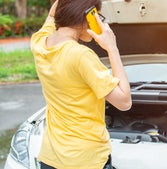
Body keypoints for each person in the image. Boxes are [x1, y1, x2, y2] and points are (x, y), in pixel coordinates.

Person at [30, 0, 132, 168]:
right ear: (87, 15)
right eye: (97, 16)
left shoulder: (39, 43)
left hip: (50, 157)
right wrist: (112, 47)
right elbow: (124, 102)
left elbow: (52, 14)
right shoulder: (81, 56)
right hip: (86, 159)